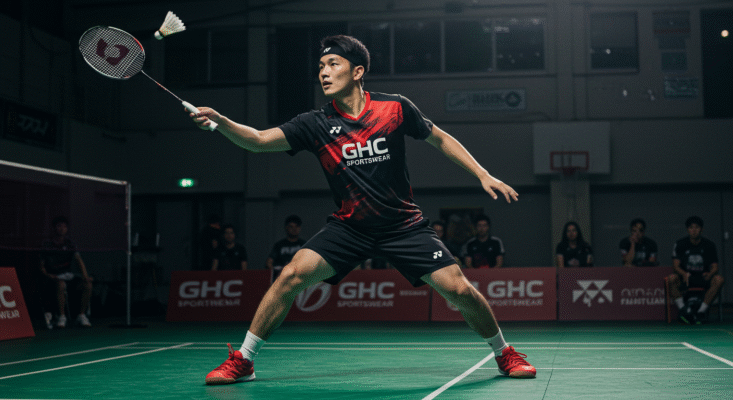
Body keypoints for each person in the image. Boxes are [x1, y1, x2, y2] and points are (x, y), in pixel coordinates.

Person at [189, 34, 535, 385]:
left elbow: (439, 137)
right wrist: (221, 122)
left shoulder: (394, 108)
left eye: (332, 64)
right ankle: (244, 360)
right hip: (350, 228)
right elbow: (259, 141)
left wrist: (482, 173)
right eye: (320, 67)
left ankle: (503, 353)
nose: (323, 72)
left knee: (459, 290)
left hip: (402, 225)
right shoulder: (315, 123)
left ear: (357, 72)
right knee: (291, 275)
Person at [39, 216, 93, 328]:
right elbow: (41, 266)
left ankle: (81, 315)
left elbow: (79, 260)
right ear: (54, 228)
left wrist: (85, 276)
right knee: (61, 284)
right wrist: (49, 275)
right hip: (52, 278)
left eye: (64, 226)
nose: (62, 228)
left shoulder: (70, 244)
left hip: (68, 276)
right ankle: (62, 316)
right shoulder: (47, 244)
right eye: (59, 226)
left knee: (87, 285)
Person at [668, 216, 724, 324]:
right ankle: (684, 310)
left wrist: (710, 274)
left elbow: (715, 267)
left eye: (697, 227)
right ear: (687, 229)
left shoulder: (709, 245)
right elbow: (675, 266)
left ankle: (701, 312)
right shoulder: (680, 244)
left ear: (701, 229)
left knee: (719, 279)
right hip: (686, 278)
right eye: (691, 228)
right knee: (671, 279)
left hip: (703, 278)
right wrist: (683, 273)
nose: (694, 230)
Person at [266, 215, 307, 281]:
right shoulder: (279, 245)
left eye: (296, 226)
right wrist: (277, 274)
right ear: (286, 228)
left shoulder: (305, 244)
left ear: (300, 228)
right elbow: (269, 262)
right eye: (291, 227)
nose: (294, 229)